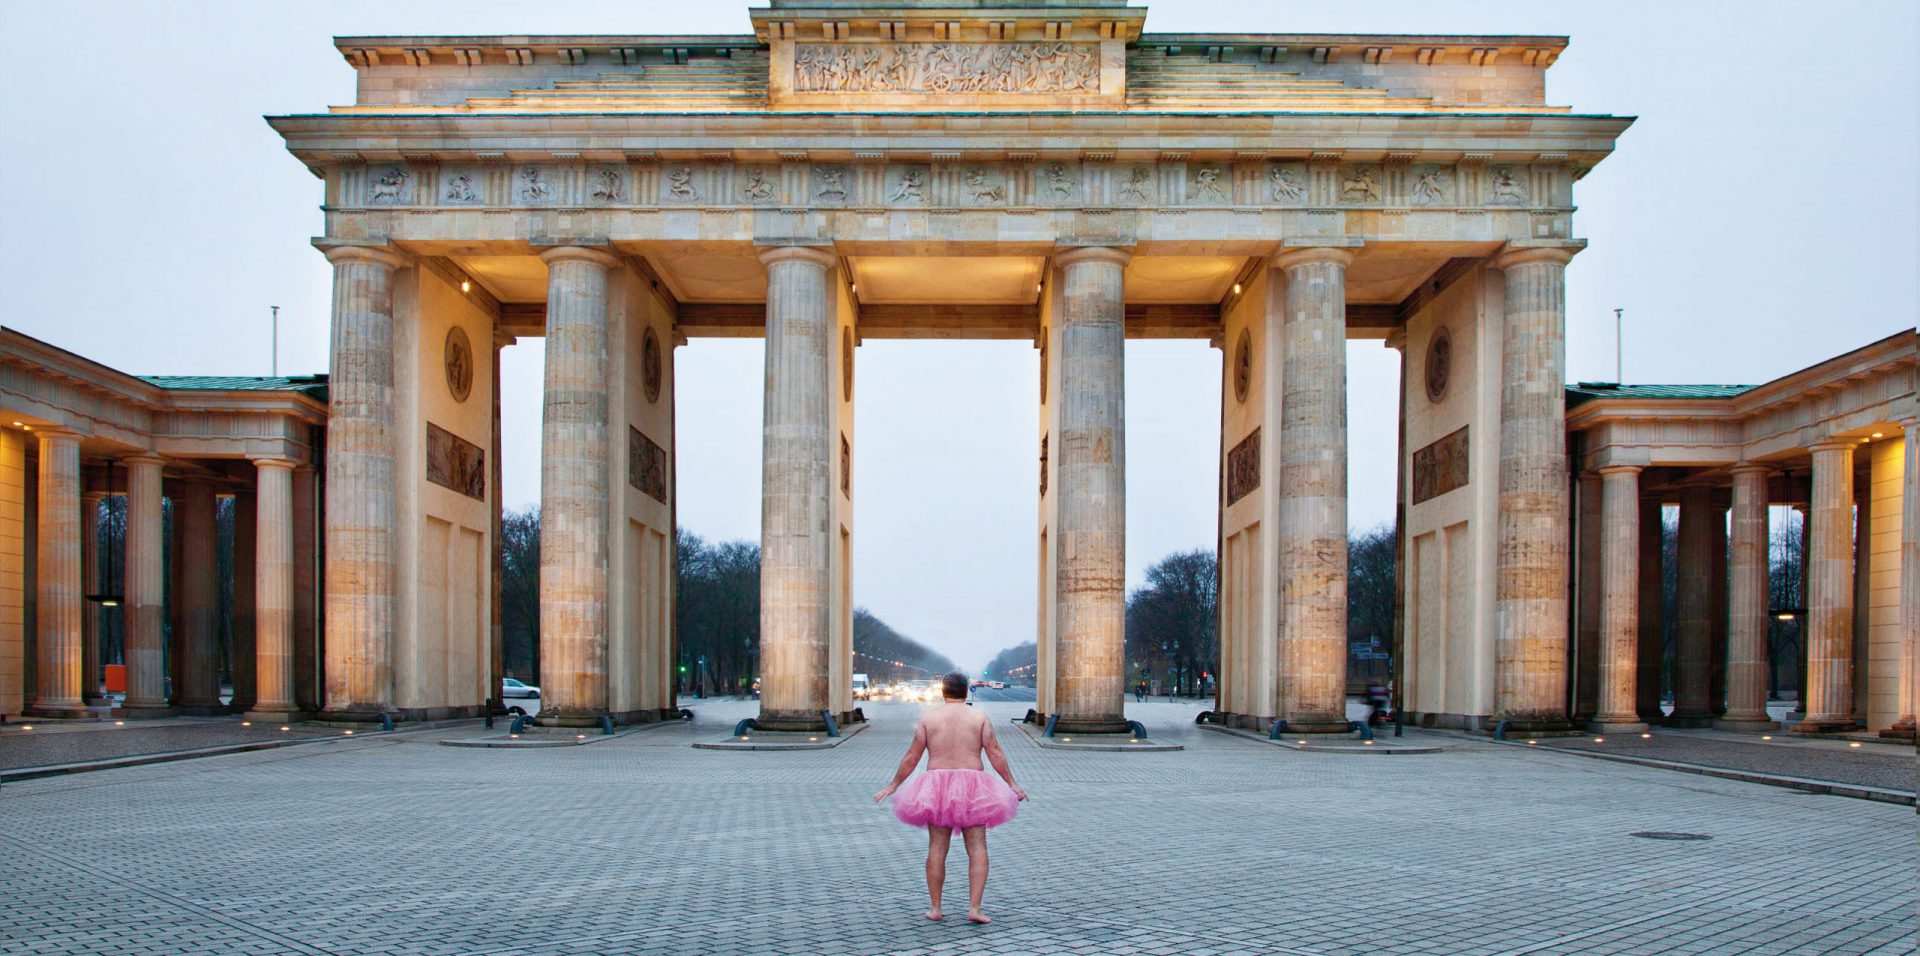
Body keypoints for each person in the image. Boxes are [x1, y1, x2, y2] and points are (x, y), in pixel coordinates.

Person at [875, 670, 1028, 924]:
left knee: (937, 848)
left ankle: (935, 908)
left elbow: (912, 756)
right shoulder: (978, 717)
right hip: (973, 786)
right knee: (978, 847)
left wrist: (894, 784)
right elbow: (995, 752)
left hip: (937, 785)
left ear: (942, 691)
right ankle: (975, 908)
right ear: (967, 691)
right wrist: (1012, 784)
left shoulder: (929, 718)